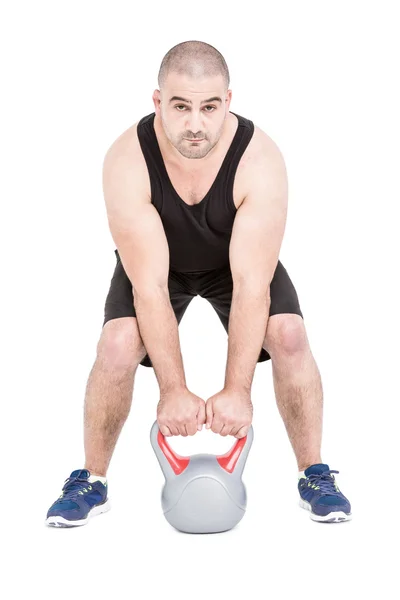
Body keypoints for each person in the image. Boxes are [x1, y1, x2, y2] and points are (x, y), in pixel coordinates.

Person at [45, 40, 352, 528]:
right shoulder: (128, 160)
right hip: (156, 269)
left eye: (209, 107)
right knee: (118, 342)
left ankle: (313, 472)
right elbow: (148, 287)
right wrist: (173, 389)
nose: (195, 123)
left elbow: (253, 283)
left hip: (235, 267)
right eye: (181, 106)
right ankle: (92, 480)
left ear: (228, 101)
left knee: (289, 334)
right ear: (157, 102)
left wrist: (237, 390)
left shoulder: (260, 159)